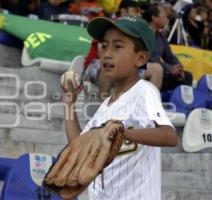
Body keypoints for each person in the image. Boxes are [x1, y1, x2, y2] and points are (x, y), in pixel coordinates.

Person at [62, 15, 178, 199]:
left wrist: (122, 132)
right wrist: (69, 103)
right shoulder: (106, 107)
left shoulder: (144, 92)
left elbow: (170, 136)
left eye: (118, 46)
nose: (107, 53)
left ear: (140, 59)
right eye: (105, 45)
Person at [143, 4, 193, 91]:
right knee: (158, 69)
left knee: (187, 76)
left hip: (161, 70)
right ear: (154, 18)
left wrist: (179, 68)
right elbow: (149, 58)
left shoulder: (161, 36)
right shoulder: (143, 34)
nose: (166, 19)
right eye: (163, 16)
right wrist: (168, 68)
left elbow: (170, 56)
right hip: (145, 70)